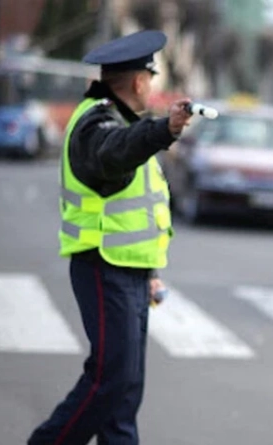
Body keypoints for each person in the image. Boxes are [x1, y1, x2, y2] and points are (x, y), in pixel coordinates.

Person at [28, 30, 194, 445]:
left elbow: (137, 206)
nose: (151, 86)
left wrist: (151, 271)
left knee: (125, 390)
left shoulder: (117, 120)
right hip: (104, 268)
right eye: (149, 79)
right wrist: (163, 130)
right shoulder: (96, 122)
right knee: (110, 380)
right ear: (139, 81)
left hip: (130, 272)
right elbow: (113, 153)